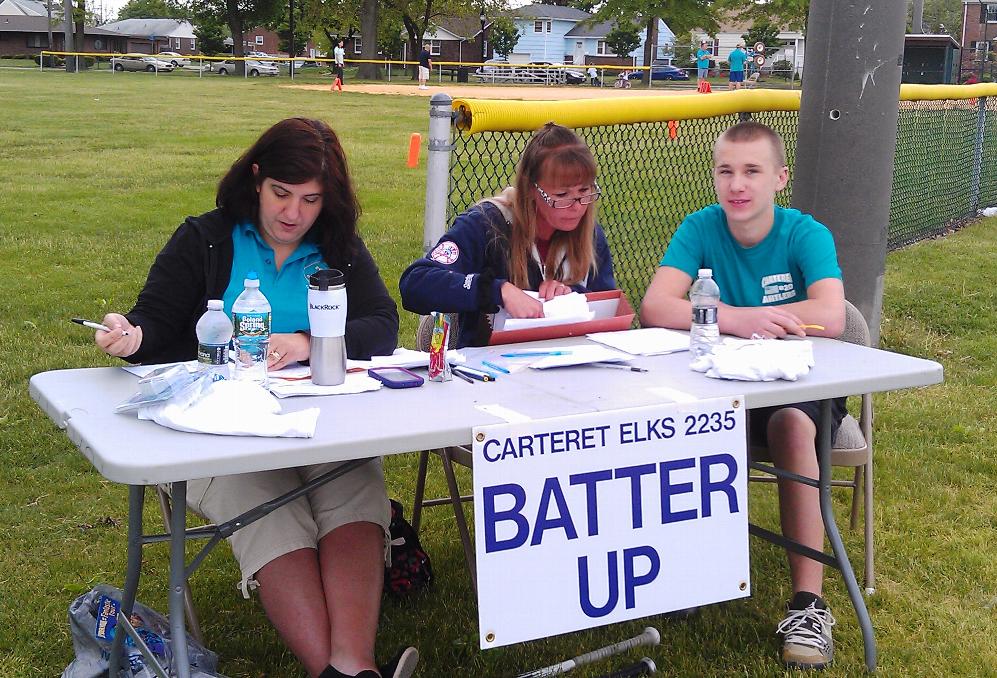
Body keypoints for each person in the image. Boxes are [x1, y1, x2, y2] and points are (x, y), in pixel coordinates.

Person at [93, 118, 417, 678]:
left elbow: (381, 326)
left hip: (320, 421)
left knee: (356, 490)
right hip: (224, 428)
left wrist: (307, 344)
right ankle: (338, 672)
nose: (293, 214)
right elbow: (157, 325)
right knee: (270, 511)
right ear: (257, 179)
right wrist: (131, 337)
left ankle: (352, 667)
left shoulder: (336, 247)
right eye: (281, 195)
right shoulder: (207, 238)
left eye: (311, 200)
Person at [640, 121, 847, 670]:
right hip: (718, 384)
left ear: (779, 178)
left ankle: (809, 602)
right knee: (669, 419)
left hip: (796, 386)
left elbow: (830, 314)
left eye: (752, 171)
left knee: (789, 427)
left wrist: (744, 321)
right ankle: (687, 572)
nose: (738, 184)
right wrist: (739, 318)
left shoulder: (805, 233)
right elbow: (656, 305)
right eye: (726, 170)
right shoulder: (701, 227)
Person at [399, 122, 616, 348]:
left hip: (569, 360)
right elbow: (416, 283)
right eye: (561, 195)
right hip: (491, 368)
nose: (577, 206)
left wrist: (572, 294)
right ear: (531, 190)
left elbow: (607, 307)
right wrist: (496, 290)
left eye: (585, 191)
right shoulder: (486, 224)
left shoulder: (588, 233)